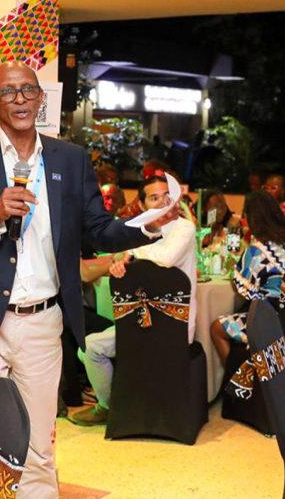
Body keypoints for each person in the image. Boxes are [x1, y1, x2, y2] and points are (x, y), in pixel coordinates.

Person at [0, 60, 176, 499]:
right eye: (9, 92)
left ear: (41, 98)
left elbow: (97, 230)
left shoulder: (70, 158)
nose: (20, 99)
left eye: (28, 90)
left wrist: (145, 226)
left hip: (43, 324)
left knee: (39, 451)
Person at [71, 175, 196, 426]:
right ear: (142, 205)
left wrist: (129, 251)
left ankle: (116, 406)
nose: (163, 202)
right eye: (154, 198)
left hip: (173, 323)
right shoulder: (137, 232)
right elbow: (124, 269)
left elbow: (167, 257)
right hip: (139, 321)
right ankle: (112, 405)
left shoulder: (184, 228)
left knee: (93, 347)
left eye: (167, 195)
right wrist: (119, 267)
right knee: (88, 348)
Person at [210, 191, 285, 363]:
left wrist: (235, 269)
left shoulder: (257, 251)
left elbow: (245, 291)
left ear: (250, 218)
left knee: (217, 327)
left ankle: (238, 375)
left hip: (271, 320)